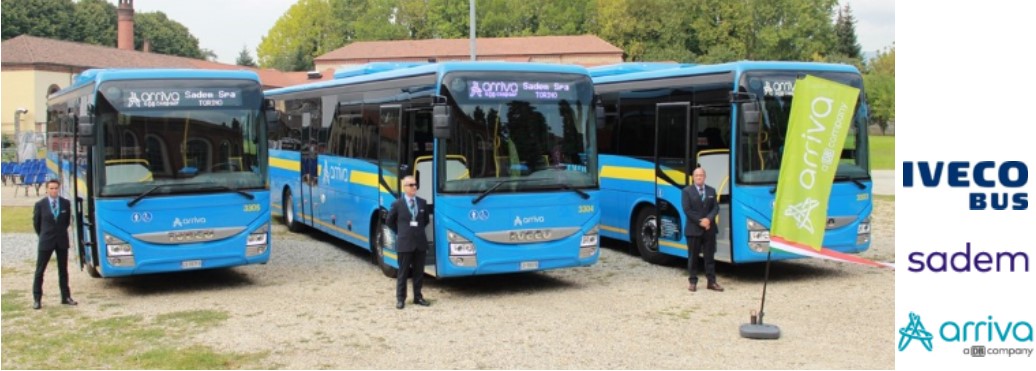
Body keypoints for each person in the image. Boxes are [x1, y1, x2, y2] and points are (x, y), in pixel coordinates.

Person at [385, 175, 431, 309]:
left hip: (420, 243)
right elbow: (389, 221)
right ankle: (400, 299)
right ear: (405, 188)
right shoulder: (397, 204)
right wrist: (401, 232)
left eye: (415, 184)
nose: (414, 187)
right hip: (405, 243)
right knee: (403, 273)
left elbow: (425, 220)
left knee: (418, 272)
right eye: (411, 185)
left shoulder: (422, 203)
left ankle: (418, 296)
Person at [32, 179, 77, 309]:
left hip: (61, 240)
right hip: (46, 241)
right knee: (40, 270)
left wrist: (60, 232)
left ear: (59, 189)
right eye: (51, 188)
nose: (54, 190)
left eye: (56, 188)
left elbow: (67, 221)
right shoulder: (40, 205)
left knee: (63, 270)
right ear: (47, 189)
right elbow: (37, 223)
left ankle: (65, 296)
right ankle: (37, 298)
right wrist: (44, 235)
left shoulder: (65, 203)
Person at [682, 167, 724, 292]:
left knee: (709, 257)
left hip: (709, 229)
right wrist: (701, 221)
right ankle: (693, 282)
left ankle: (711, 282)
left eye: (701, 175)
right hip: (694, 229)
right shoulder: (687, 191)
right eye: (697, 175)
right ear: (693, 177)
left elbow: (715, 208)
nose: (699, 177)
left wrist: (708, 220)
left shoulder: (711, 190)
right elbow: (687, 210)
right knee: (693, 257)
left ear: (705, 177)